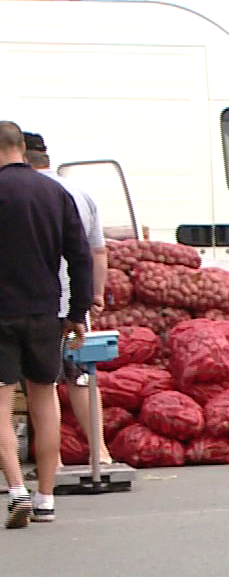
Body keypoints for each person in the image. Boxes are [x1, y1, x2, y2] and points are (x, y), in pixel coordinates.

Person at [0, 121, 93, 528]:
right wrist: (77, 313)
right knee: (45, 399)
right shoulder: (56, 193)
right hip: (45, 313)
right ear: (22, 147)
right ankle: (46, 498)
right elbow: (80, 257)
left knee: (1, 404)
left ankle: (17, 488)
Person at [25, 133, 109, 463]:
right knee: (82, 378)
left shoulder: (20, 193)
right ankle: (100, 451)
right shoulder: (81, 194)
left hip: (36, 302)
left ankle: (53, 459)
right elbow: (97, 251)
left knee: (41, 384)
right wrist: (95, 295)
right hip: (75, 302)